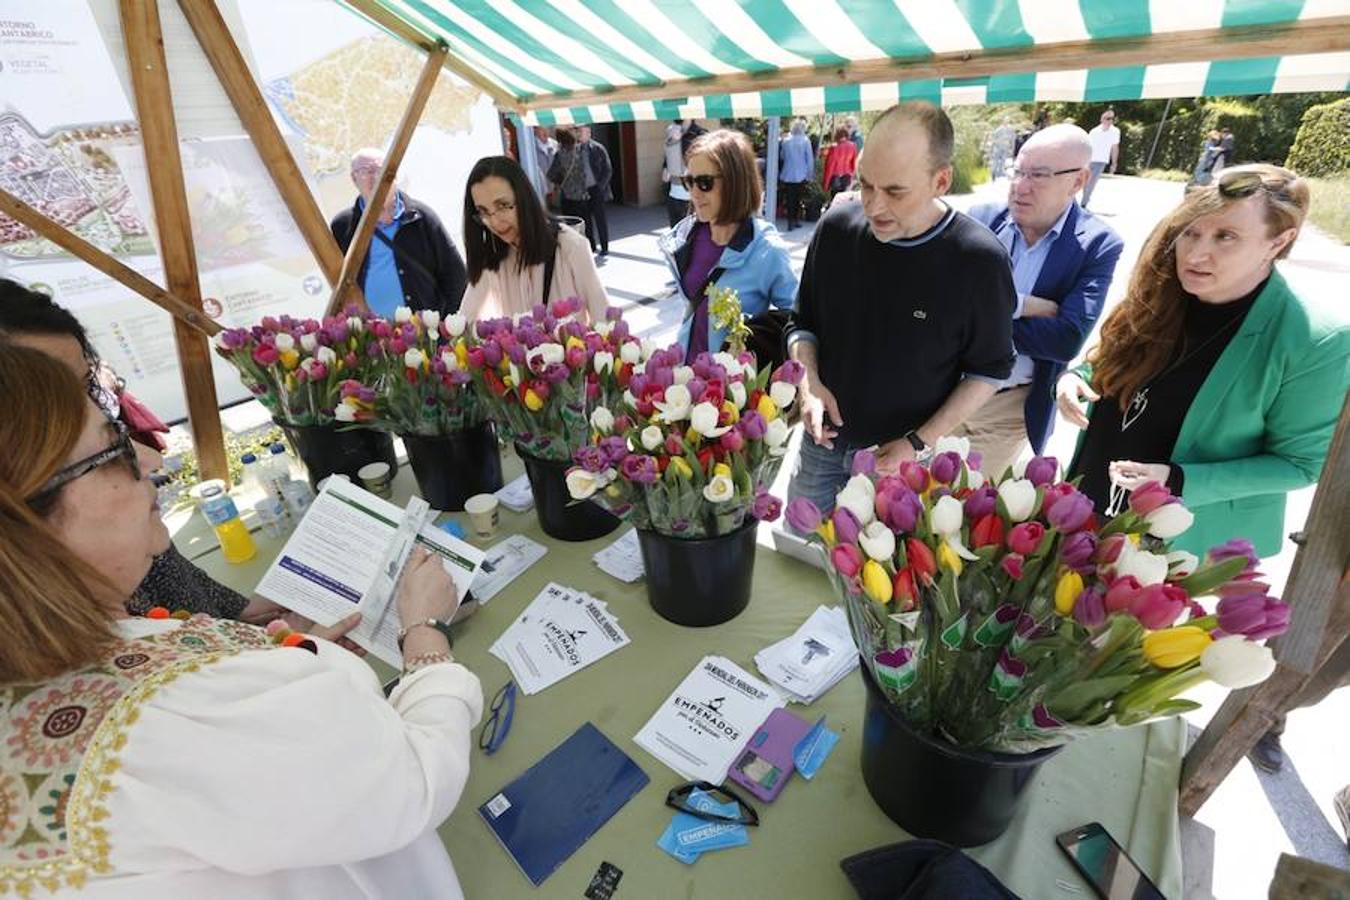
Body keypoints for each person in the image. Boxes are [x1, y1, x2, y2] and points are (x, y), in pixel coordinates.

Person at [0, 341, 484, 897]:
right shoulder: (190, 717)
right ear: (25, 523)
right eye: (115, 450)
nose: (154, 461)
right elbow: (413, 785)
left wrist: (284, 664)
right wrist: (424, 637)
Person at [1058, 164, 1348, 558]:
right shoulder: (1163, 291)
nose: (1195, 253)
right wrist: (1077, 377)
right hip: (1084, 505)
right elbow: (1109, 360)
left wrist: (1177, 480)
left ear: (1278, 242)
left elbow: (1299, 465)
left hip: (1175, 541)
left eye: (1225, 236)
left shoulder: (1316, 339)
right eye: (1190, 232)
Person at [787, 102, 1016, 513]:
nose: (874, 205)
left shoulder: (979, 260)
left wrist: (919, 442)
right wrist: (809, 384)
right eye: (866, 184)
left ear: (941, 180)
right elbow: (802, 324)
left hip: (905, 458)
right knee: (797, 556)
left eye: (895, 191)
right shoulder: (836, 229)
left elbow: (989, 370)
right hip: (821, 442)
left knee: (876, 575)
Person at [0, 279, 248, 619]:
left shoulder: (122, 526)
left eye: (87, 385)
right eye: (52, 401)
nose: (149, 460)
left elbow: (202, 605)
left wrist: (255, 626)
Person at [962, 125, 1125, 477]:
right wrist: (1022, 305)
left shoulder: (1097, 243)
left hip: (1003, 408)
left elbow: (1065, 339)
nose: (1021, 186)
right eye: (1018, 171)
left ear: (1078, 181)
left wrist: (973, 320)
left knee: (957, 512)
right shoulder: (980, 219)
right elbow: (938, 302)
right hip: (938, 389)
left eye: (1038, 175)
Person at [658, 129, 797, 359]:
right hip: (685, 379)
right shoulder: (685, 237)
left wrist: (751, 341)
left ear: (735, 182)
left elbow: (796, 322)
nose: (693, 193)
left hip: (728, 388)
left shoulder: (767, 250)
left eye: (704, 182)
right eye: (688, 181)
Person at [462, 155, 608, 323]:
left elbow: (605, 322)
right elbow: (464, 321)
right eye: (483, 212)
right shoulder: (493, 256)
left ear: (524, 197)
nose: (494, 221)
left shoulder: (571, 247)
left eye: (503, 205)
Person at [329, 149, 468, 318]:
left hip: (423, 334)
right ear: (354, 178)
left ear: (394, 175)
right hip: (369, 337)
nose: (375, 177)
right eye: (365, 171)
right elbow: (338, 285)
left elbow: (455, 275)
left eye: (380, 169)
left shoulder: (421, 218)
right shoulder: (343, 226)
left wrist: (446, 326)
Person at [577, 125, 613, 257]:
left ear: (589, 133)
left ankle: (604, 247)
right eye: (579, 132)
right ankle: (591, 246)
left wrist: (601, 186)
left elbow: (608, 169)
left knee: (600, 219)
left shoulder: (598, 148)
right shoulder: (576, 150)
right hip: (583, 191)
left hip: (597, 189)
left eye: (582, 132)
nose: (580, 134)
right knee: (587, 220)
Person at [779, 118, 814, 231]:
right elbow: (809, 159)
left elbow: (782, 156)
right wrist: (810, 174)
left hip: (788, 173)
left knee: (790, 198)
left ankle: (790, 221)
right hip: (801, 173)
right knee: (798, 198)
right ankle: (796, 220)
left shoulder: (786, 140)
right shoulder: (805, 140)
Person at [1081, 110, 1119, 209]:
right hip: (1090, 159)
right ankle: (1086, 197)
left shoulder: (1115, 131)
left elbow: (1114, 147)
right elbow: (1088, 146)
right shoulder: (1094, 131)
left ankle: (1084, 203)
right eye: (1107, 118)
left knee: (1092, 181)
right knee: (1085, 181)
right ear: (1102, 119)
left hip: (1102, 160)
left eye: (1112, 119)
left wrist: (1114, 163)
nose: (1110, 121)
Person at [662, 120, 690, 228]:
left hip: (686, 197)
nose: (670, 136)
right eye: (669, 134)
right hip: (673, 195)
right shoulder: (670, 150)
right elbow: (665, 176)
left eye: (673, 133)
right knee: (675, 229)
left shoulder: (687, 145)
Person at [821, 126, 858, 200]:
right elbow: (854, 164)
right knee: (845, 200)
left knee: (836, 200)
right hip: (847, 177)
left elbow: (829, 167)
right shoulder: (853, 145)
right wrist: (853, 177)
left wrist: (825, 185)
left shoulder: (834, 148)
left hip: (836, 178)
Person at [529, 125, 558, 206]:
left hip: (555, 189)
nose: (545, 132)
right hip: (540, 189)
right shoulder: (530, 146)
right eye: (542, 129)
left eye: (547, 128)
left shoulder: (554, 144)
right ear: (535, 130)